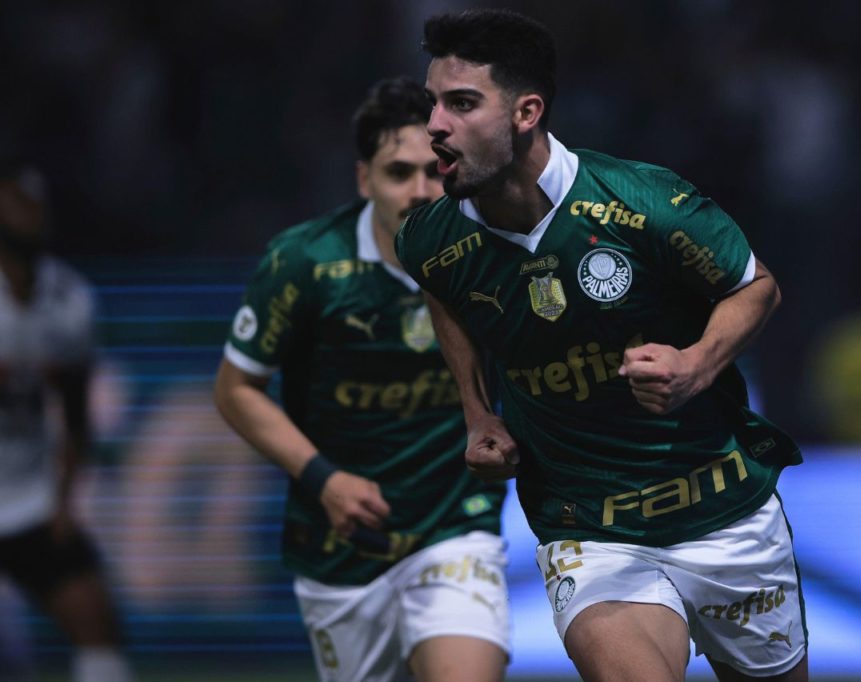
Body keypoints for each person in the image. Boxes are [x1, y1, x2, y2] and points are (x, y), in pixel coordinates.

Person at [395, 9, 809, 681]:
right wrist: (476, 411)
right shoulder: (431, 240)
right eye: (432, 103)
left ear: (526, 112)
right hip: (587, 524)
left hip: (724, 511)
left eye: (461, 104)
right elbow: (443, 293)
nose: (435, 125)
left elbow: (756, 287)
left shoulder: (644, 204)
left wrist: (695, 365)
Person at [214, 76, 510, 682]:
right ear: (363, 180)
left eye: (435, 170)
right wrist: (325, 480)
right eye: (399, 173)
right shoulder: (305, 262)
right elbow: (235, 390)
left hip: (454, 526)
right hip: (338, 544)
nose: (420, 191)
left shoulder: (491, 252)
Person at [0, 164, 133, 682]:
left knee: (97, 624)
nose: (30, 214)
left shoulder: (67, 300)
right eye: (16, 200)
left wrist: (64, 500)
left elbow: (76, 416)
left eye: (35, 202)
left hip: (30, 496)